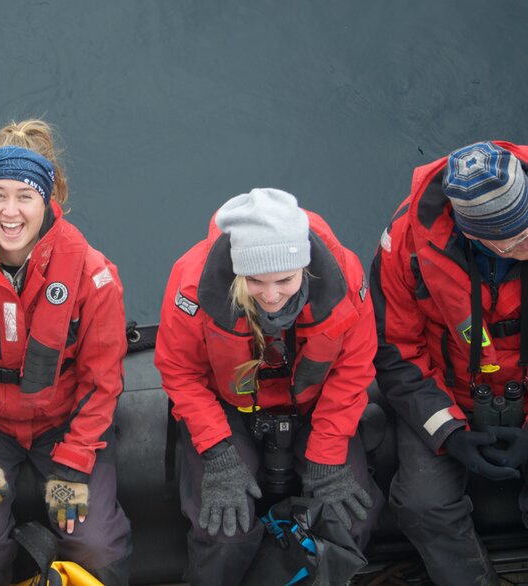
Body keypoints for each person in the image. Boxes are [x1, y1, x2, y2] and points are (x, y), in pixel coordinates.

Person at [0, 120, 132, 585]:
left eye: (25, 196)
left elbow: (102, 380)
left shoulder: (93, 278)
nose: (10, 212)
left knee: (98, 544)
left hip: (64, 427)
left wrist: (74, 461)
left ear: (47, 199)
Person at [155, 187, 384, 586]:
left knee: (351, 516)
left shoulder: (346, 276)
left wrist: (328, 459)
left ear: (306, 267)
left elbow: (353, 366)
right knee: (223, 532)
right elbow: (180, 371)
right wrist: (220, 456)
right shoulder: (192, 284)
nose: (273, 296)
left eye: (285, 279)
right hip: (230, 411)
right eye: (255, 281)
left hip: (315, 408)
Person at [371, 140, 528, 585]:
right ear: (474, 234)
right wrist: (450, 434)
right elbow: (396, 350)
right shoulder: (404, 245)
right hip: (448, 395)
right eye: (517, 239)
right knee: (422, 504)